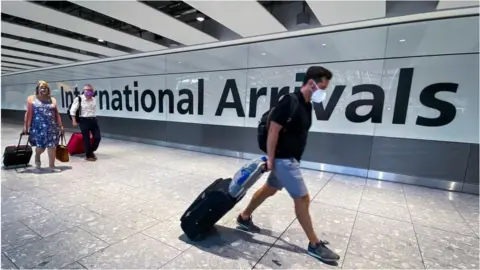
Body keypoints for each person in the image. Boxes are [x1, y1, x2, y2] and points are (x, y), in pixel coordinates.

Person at [236, 66, 340, 262]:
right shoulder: (289, 101)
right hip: (283, 160)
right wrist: (271, 159)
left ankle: (244, 217)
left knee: (269, 189)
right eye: (323, 87)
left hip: (290, 158)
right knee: (302, 198)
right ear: (311, 83)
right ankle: (314, 244)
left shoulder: (307, 104)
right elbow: (273, 131)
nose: (324, 92)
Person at [23, 80, 64, 172]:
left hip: (52, 127)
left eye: (45, 87)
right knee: (41, 147)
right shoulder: (31, 99)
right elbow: (28, 113)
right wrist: (25, 126)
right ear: (38, 89)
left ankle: (52, 166)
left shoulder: (52, 99)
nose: (44, 89)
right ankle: (37, 156)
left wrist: (61, 126)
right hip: (38, 128)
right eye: (41, 87)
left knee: (52, 146)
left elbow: (56, 114)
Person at [69, 84, 101, 161]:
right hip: (83, 120)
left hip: (93, 120)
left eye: (91, 90)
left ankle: (91, 151)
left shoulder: (94, 99)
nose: (89, 92)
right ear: (84, 91)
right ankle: (88, 155)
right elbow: (72, 110)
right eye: (87, 90)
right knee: (86, 138)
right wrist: (74, 121)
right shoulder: (79, 99)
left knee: (97, 137)